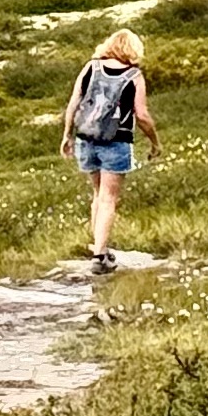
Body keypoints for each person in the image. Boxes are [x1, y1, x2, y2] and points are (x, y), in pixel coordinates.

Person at [59, 30, 158, 274]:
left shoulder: (91, 67)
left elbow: (74, 102)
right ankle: (100, 255)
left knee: (97, 194)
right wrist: (155, 141)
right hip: (117, 141)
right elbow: (142, 115)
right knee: (109, 198)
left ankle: (98, 248)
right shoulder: (134, 76)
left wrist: (67, 135)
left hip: (86, 138)